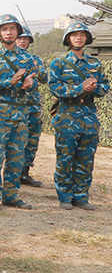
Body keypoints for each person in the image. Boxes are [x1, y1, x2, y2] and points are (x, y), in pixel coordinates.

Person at [0, 14, 38, 211]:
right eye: (5, 29)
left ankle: (11, 195)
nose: (9, 32)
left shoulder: (26, 57)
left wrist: (30, 83)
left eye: (12, 29)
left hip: (20, 112)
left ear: (18, 32)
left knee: (16, 156)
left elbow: (33, 79)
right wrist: (9, 82)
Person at [48, 22, 109, 210]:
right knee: (65, 158)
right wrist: (79, 88)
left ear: (87, 39)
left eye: (82, 35)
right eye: (74, 35)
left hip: (89, 116)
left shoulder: (95, 63)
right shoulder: (58, 63)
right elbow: (54, 87)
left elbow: (105, 86)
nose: (79, 38)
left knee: (86, 158)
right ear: (68, 39)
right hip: (67, 115)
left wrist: (95, 87)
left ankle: (81, 195)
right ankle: (65, 196)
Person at [16, 27, 48, 187]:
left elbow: (44, 77)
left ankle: (25, 173)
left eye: (25, 39)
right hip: (16, 107)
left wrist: (33, 69)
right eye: (20, 38)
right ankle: (12, 173)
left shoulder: (35, 59)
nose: (22, 41)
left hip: (33, 107)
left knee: (32, 140)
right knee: (15, 142)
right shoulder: (10, 59)